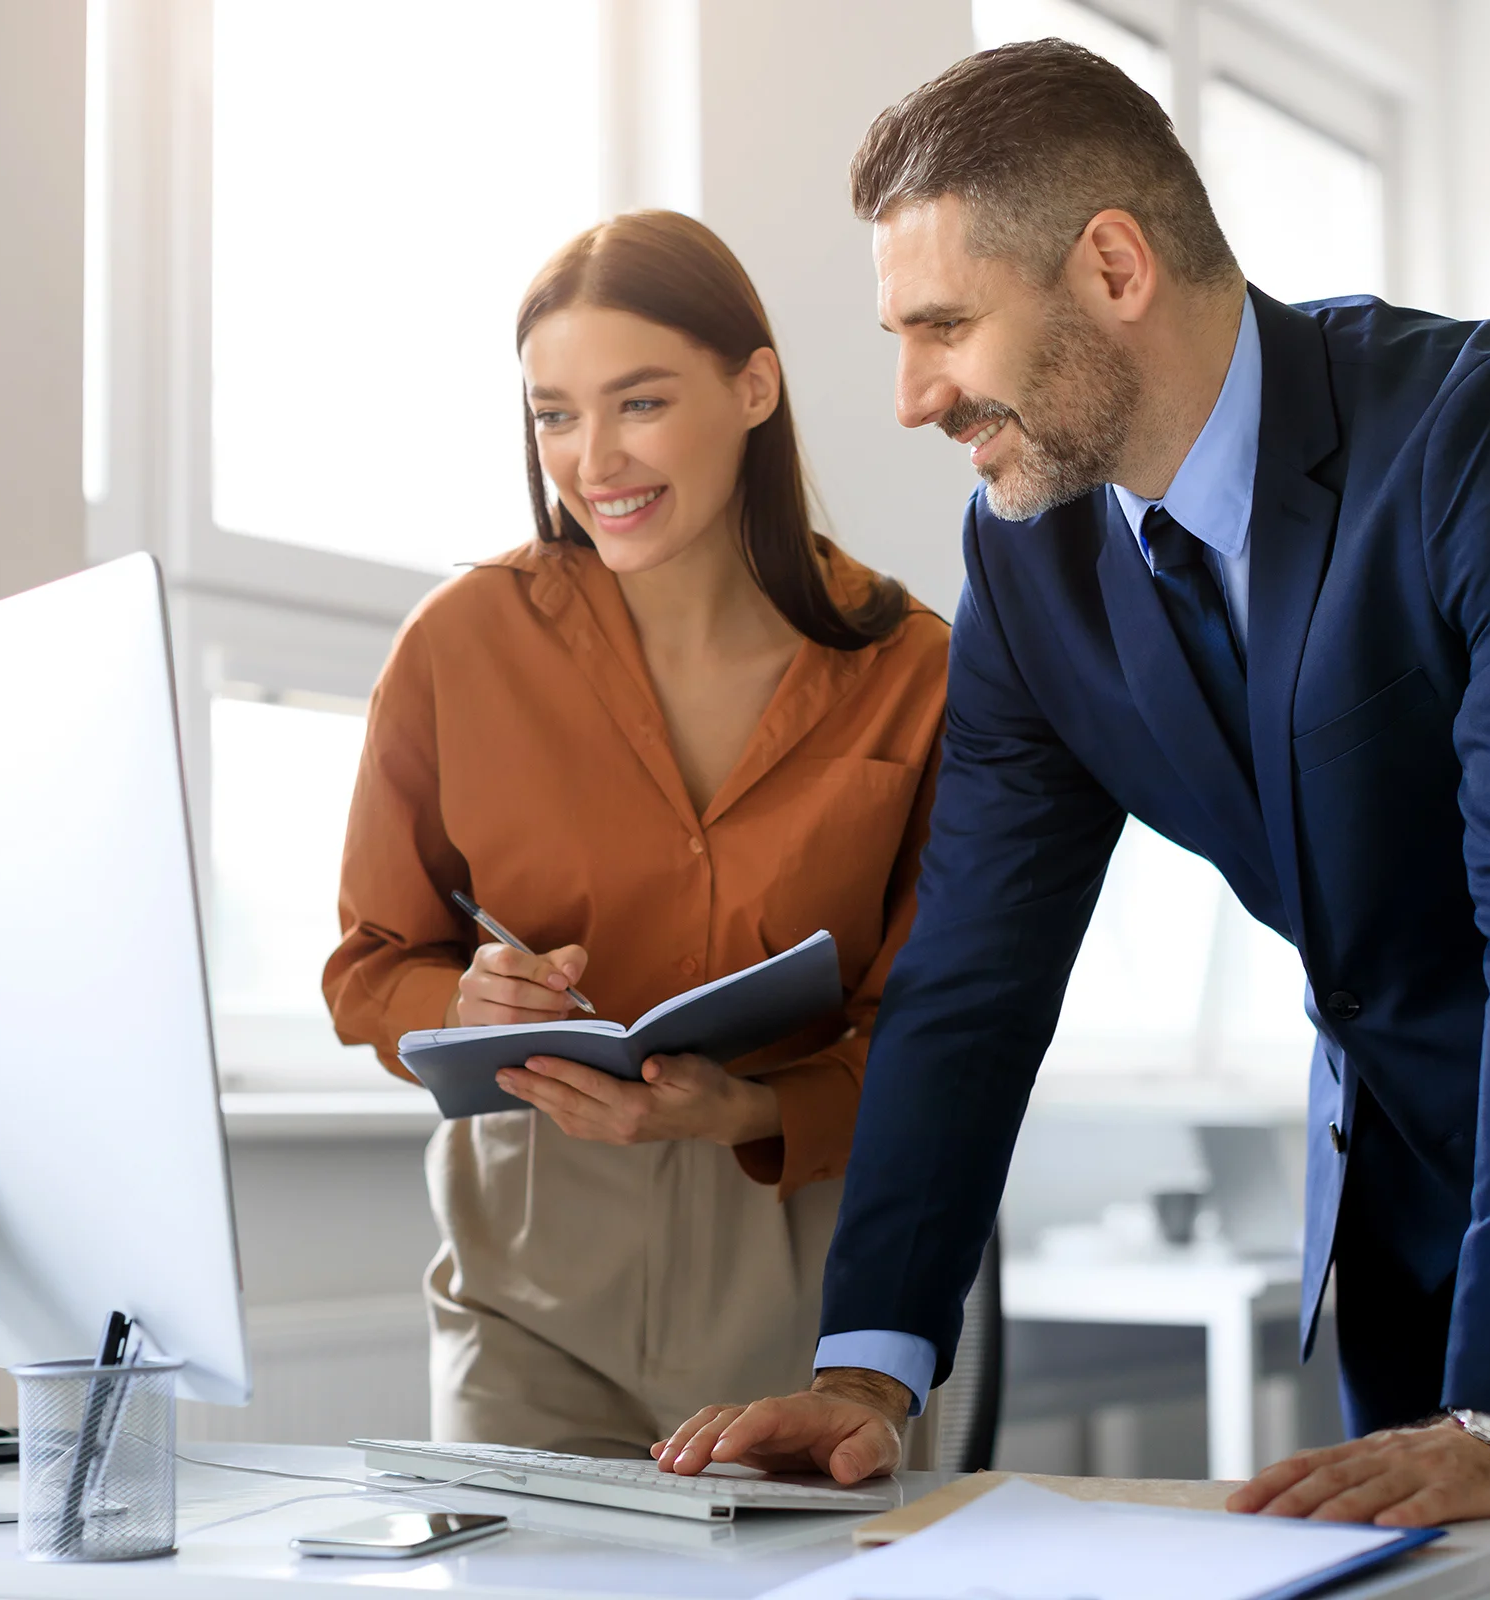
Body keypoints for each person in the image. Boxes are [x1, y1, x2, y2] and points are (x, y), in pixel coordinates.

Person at [651, 41, 1490, 1595]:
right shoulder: (1031, 562)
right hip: (1410, 1204)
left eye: (944, 326)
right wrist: (869, 1370)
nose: (916, 393)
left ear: (1113, 266)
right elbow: (975, 968)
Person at [323, 210, 949, 1457]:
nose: (592, 457)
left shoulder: (914, 670)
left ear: (753, 386)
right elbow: (370, 966)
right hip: (529, 1285)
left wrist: (747, 1109)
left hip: (809, 1283)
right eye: (554, 413)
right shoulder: (459, 646)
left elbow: (942, 1036)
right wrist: (462, 1000)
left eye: (641, 402)